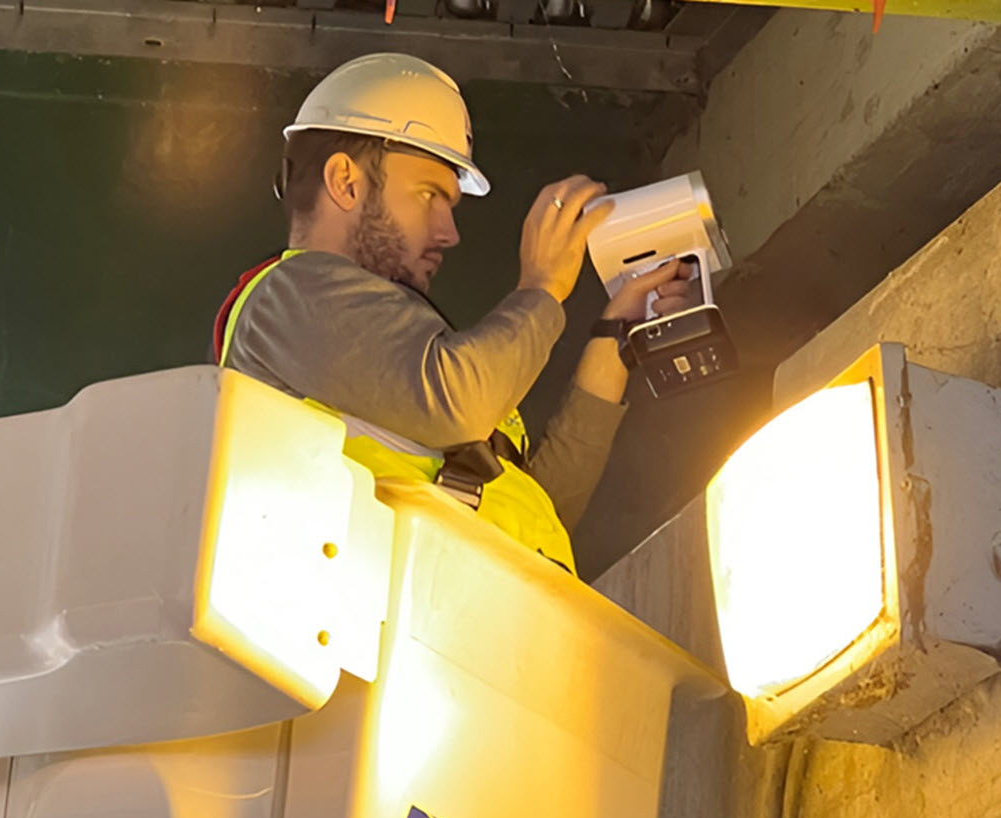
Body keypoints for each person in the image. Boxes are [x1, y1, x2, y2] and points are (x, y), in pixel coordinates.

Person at [212, 53, 694, 575]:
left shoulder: (407, 358)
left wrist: (615, 336)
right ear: (345, 182)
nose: (448, 231)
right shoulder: (287, 298)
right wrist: (542, 286)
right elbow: (454, 400)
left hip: (471, 626)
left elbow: (541, 513)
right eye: (428, 195)